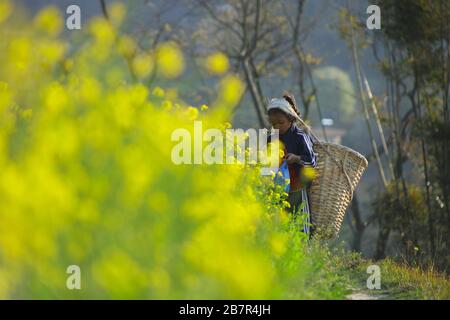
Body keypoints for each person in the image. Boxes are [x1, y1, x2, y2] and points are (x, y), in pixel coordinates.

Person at [267, 92, 317, 236]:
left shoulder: (300, 137)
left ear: (290, 119)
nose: (277, 126)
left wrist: (296, 158)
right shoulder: (271, 139)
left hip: (298, 187)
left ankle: (304, 250)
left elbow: (311, 160)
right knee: (280, 223)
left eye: (280, 123)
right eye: (273, 124)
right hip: (278, 189)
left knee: (301, 221)